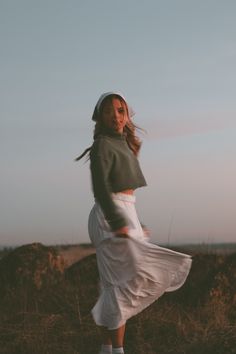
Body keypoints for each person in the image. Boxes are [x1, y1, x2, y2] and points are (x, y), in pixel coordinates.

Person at [75, 92, 192, 354]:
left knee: (117, 288)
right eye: (108, 111)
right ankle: (117, 350)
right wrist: (118, 221)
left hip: (124, 213)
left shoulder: (123, 145)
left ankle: (108, 349)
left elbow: (126, 192)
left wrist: (137, 221)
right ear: (99, 116)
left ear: (127, 115)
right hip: (111, 216)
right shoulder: (103, 144)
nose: (115, 116)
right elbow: (102, 189)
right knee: (121, 288)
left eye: (120, 110)